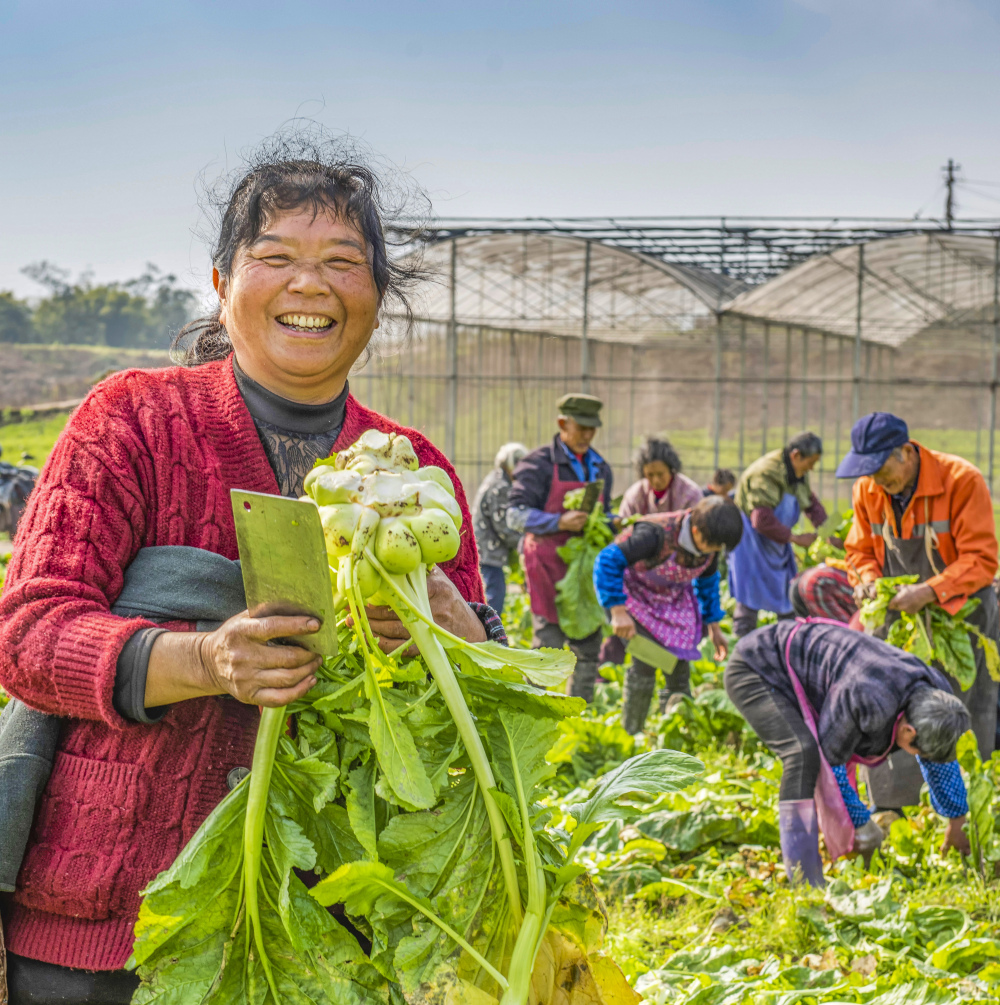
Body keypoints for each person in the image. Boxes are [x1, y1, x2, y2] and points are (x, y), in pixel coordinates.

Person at [0, 141, 506, 1000]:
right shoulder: (131, 419)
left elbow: (477, 709)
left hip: (324, 940)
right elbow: (28, 633)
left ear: (378, 298)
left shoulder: (414, 473)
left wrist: (455, 636)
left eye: (342, 262)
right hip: (105, 926)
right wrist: (205, 660)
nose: (310, 284)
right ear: (221, 283)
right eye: (276, 257)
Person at [726, 620, 972, 887]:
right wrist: (862, 824)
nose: (920, 756)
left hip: (817, 664)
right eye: (918, 751)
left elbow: (941, 761)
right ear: (908, 731)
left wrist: (957, 820)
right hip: (757, 666)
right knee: (803, 755)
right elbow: (831, 767)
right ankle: (803, 878)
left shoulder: (939, 698)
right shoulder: (866, 698)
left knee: (811, 757)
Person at [837, 411, 999, 806]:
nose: (877, 480)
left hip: (962, 613)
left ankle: (966, 805)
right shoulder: (868, 489)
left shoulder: (961, 480)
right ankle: (894, 805)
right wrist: (866, 581)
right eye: (869, 472)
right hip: (898, 614)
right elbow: (859, 550)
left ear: (906, 453)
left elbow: (981, 559)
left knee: (960, 704)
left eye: (882, 470)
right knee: (888, 700)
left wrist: (929, 591)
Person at [594, 496, 743, 733]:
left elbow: (707, 584)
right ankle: (632, 731)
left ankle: (675, 729)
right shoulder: (654, 534)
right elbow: (607, 561)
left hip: (670, 598)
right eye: (711, 545)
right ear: (695, 530)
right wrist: (618, 611)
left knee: (679, 665)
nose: (713, 552)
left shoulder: (709, 546)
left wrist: (714, 627)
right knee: (646, 660)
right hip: (632, 595)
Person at [507, 393, 614, 700]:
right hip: (547, 566)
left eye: (592, 429)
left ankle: (580, 710)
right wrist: (558, 522)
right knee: (548, 645)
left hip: (585, 568)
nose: (588, 435)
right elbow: (514, 515)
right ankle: (533, 708)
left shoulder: (600, 468)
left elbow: (605, 514)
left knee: (589, 645)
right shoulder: (538, 464)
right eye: (582, 428)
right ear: (563, 424)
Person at [727, 432, 827, 637]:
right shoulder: (766, 473)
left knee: (787, 595)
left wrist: (827, 531)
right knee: (750, 596)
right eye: (810, 462)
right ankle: (742, 644)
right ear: (796, 455)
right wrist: (796, 539)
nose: (811, 468)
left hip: (776, 541)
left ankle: (789, 643)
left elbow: (810, 502)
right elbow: (761, 519)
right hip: (751, 541)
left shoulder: (798, 473)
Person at [472, 441, 528, 613]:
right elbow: (503, 526)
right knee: (494, 596)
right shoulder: (500, 486)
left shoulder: (497, 479)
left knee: (493, 593)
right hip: (488, 551)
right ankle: (489, 629)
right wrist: (524, 543)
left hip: (485, 549)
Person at [619, 437, 703, 519]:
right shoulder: (634, 495)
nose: (656, 480)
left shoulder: (690, 494)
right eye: (650, 475)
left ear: (671, 469)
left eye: (660, 474)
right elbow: (623, 522)